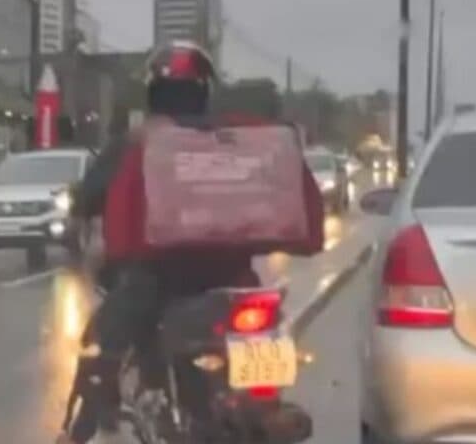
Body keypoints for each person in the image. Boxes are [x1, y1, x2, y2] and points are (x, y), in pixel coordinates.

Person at [56, 41, 324, 444]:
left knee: (102, 344)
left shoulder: (137, 141)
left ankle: (77, 434)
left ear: (152, 91)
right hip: (235, 278)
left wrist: (85, 207)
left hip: (159, 279)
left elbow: (89, 194)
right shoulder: (233, 137)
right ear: (204, 90)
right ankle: (262, 411)